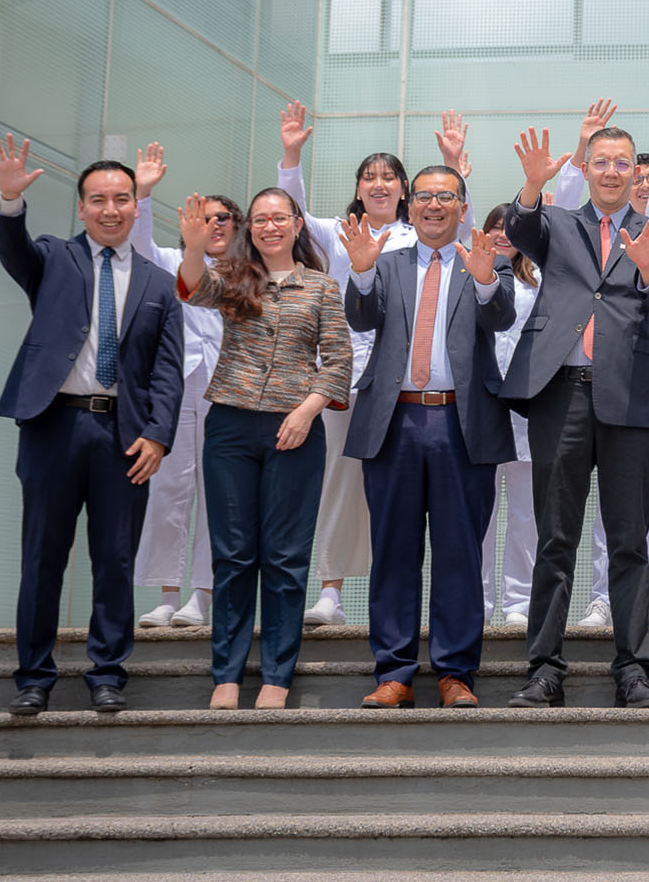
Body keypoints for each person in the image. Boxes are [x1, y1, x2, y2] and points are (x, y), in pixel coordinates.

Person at [0, 142, 184, 716]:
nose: (111, 209)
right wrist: (9, 198)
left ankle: (107, 672)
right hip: (54, 426)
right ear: (81, 208)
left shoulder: (157, 283)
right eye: (98, 200)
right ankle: (33, 675)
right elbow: (12, 248)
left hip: (124, 437)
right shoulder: (52, 259)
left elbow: (167, 370)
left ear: (136, 205)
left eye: (122, 198)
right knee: (42, 556)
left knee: (116, 558)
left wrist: (159, 434)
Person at [502, 123, 649, 710]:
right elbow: (519, 229)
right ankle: (545, 668)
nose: (610, 171)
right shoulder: (557, 223)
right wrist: (532, 186)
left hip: (628, 395)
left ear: (636, 172)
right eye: (600, 161)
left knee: (630, 541)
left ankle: (632, 668)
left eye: (621, 162)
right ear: (588, 166)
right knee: (557, 536)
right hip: (562, 393)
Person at [275, 101, 470, 627]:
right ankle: (331, 593)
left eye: (389, 177)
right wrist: (291, 156)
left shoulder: (423, 237)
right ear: (359, 189)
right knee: (341, 481)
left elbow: (468, 253)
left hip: (405, 388)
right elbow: (290, 214)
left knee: (407, 497)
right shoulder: (338, 232)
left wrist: (453, 160)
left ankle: (413, 603)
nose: (379, 184)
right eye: (369, 177)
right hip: (344, 380)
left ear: (405, 189)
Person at [338, 166, 514, 710]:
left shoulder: (486, 261)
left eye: (446, 197)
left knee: (460, 552)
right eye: (424, 197)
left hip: (463, 422)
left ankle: (455, 672)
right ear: (410, 207)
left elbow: (501, 317)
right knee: (393, 550)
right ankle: (394, 672)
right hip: (395, 423)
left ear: (463, 206)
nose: (434, 205)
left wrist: (486, 280)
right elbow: (360, 318)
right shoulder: (383, 263)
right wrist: (361, 274)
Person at [176, 189, 351, 710]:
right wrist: (192, 246)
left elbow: (339, 360)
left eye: (280, 218)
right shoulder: (234, 279)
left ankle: (277, 674)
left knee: (284, 557)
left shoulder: (321, 287)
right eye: (260, 220)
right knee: (232, 556)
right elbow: (192, 288)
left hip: (294, 431)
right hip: (230, 427)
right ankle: (226, 675)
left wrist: (305, 410)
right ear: (249, 228)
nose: (270, 226)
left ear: (298, 225)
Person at [554, 105, 649, 630]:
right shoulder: (592, 235)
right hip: (595, 383)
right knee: (600, 512)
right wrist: (581, 140)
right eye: (603, 163)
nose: (621, 177)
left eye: (632, 170)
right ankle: (601, 598)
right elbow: (563, 216)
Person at [129, 142, 225, 629]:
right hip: (174, 388)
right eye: (206, 218)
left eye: (226, 218)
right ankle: (167, 593)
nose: (216, 225)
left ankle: (201, 596)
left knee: (218, 494)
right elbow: (139, 245)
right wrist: (142, 193)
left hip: (227, 393)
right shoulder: (170, 259)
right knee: (168, 489)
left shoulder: (249, 275)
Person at [478, 204, 540, 628]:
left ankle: (519, 602)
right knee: (479, 515)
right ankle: (478, 601)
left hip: (527, 413)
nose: (502, 235)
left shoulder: (540, 284)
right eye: (495, 228)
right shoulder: (470, 278)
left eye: (509, 229)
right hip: (480, 411)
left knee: (526, 516)